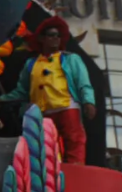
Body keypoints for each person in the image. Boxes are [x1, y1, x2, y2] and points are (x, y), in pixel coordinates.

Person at [14, 16, 96, 163]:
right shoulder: (31, 64)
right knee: (43, 146)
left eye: (58, 36)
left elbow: (83, 83)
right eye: (52, 35)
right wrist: (2, 100)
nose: (56, 38)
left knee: (74, 140)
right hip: (41, 112)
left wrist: (88, 101)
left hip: (67, 107)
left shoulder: (71, 59)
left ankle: (76, 171)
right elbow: (21, 91)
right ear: (42, 38)